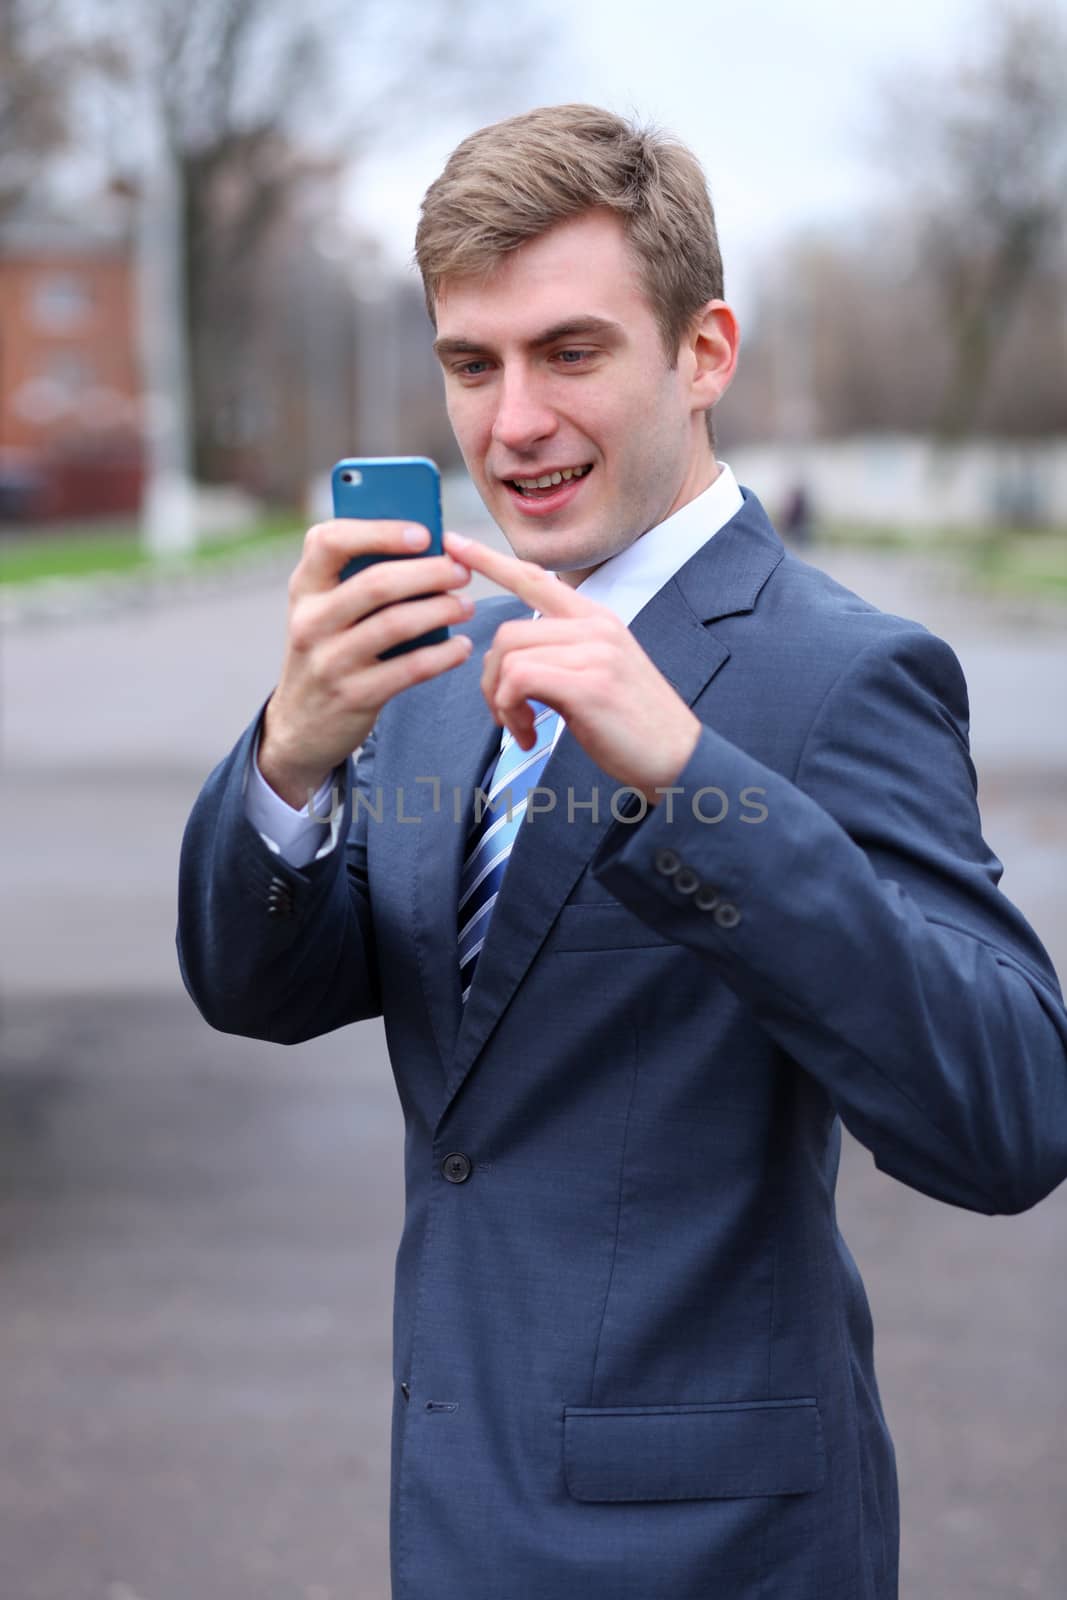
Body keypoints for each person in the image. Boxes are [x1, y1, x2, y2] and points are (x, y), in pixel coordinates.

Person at [177, 105, 1067, 1600]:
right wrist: (293, 750)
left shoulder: (844, 673)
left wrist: (690, 782)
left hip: (715, 1544)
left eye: (570, 353)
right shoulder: (439, 643)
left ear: (705, 353)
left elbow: (1008, 1116)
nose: (511, 419)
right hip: (454, 1512)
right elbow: (265, 985)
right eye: (473, 363)